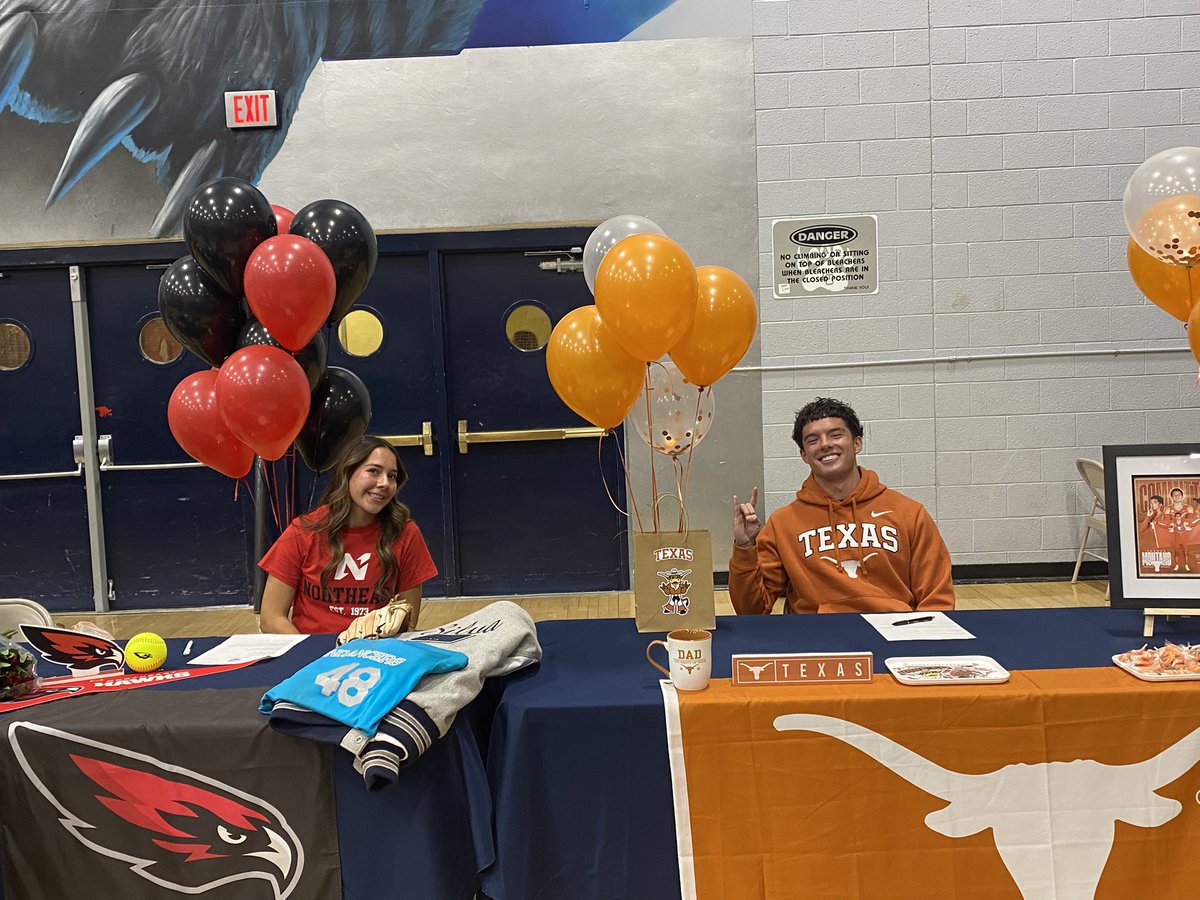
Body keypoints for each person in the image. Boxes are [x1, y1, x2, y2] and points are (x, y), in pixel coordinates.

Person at [729, 397, 954, 614]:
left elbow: (937, 600)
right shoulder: (783, 523)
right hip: (818, 640)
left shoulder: (909, 514)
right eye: (813, 440)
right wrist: (745, 547)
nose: (825, 444)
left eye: (836, 435)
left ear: (857, 443)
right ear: (804, 455)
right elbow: (752, 609)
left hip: (893, 636)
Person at [259, 436, 438, 634]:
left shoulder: (405, 532)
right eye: (374, 471)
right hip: (312, 655)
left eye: (392, 476)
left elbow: (407, 622)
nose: (384, 483)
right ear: (348, 472)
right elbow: (271, 618)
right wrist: (311, 656)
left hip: (376, 652)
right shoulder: (303, 531)